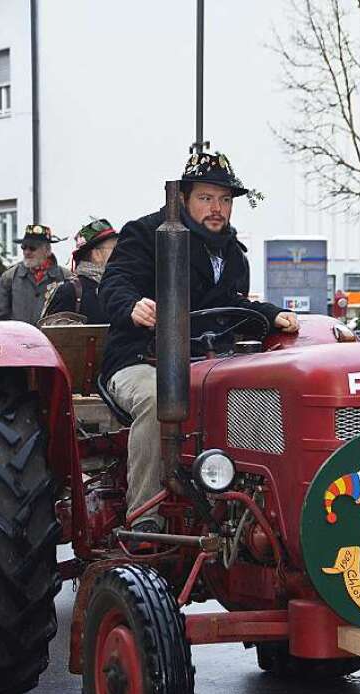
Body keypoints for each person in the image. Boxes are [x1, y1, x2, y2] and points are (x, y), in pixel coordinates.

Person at [99, 149, 301, 532]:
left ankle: (250, 515)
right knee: (159, 399)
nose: (217, 208)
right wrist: (132, 305)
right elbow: (115, 283)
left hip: (204, 364)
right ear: (182, 198)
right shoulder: (145, 235)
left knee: (257, 396)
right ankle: (145, 520)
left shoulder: (232, 254)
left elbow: (232, 303)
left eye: (225, 200)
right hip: (141, 359)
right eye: (206, 198)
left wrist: (271, 313)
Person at [0, 224, 70, 324]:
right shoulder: (10, 277)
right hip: (19, 338)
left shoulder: (65, 277)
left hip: (52, 338)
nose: (27, 252)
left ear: (47, 250)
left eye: (32, 248)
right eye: (24, 247)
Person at [43, 218, 117, 323]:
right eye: (114, 248)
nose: (120, 253)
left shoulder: (118, 286)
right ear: (97, 255)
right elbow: (55, 335)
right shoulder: (69, 291)